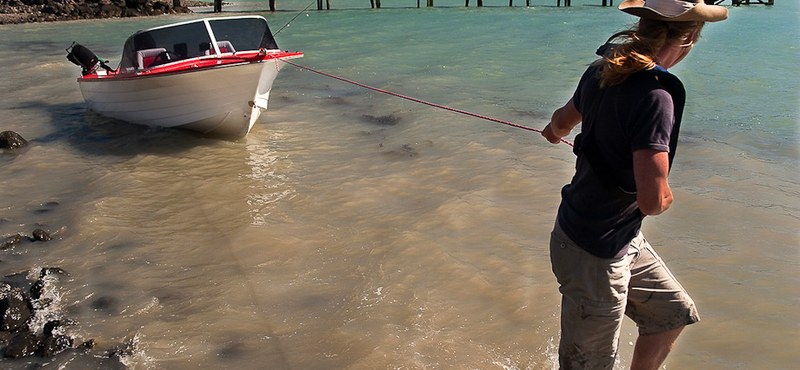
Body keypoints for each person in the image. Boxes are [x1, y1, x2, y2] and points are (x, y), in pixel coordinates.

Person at [540, 0, 728, 369]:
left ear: (642, 25)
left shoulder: (602, 69)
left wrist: (551, 132)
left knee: (670, 315)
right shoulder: (656, 96)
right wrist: (667, 195)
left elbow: (560, 125)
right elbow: (652, 201)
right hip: (593, 251)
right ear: (689, 37)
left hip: (613, 236)